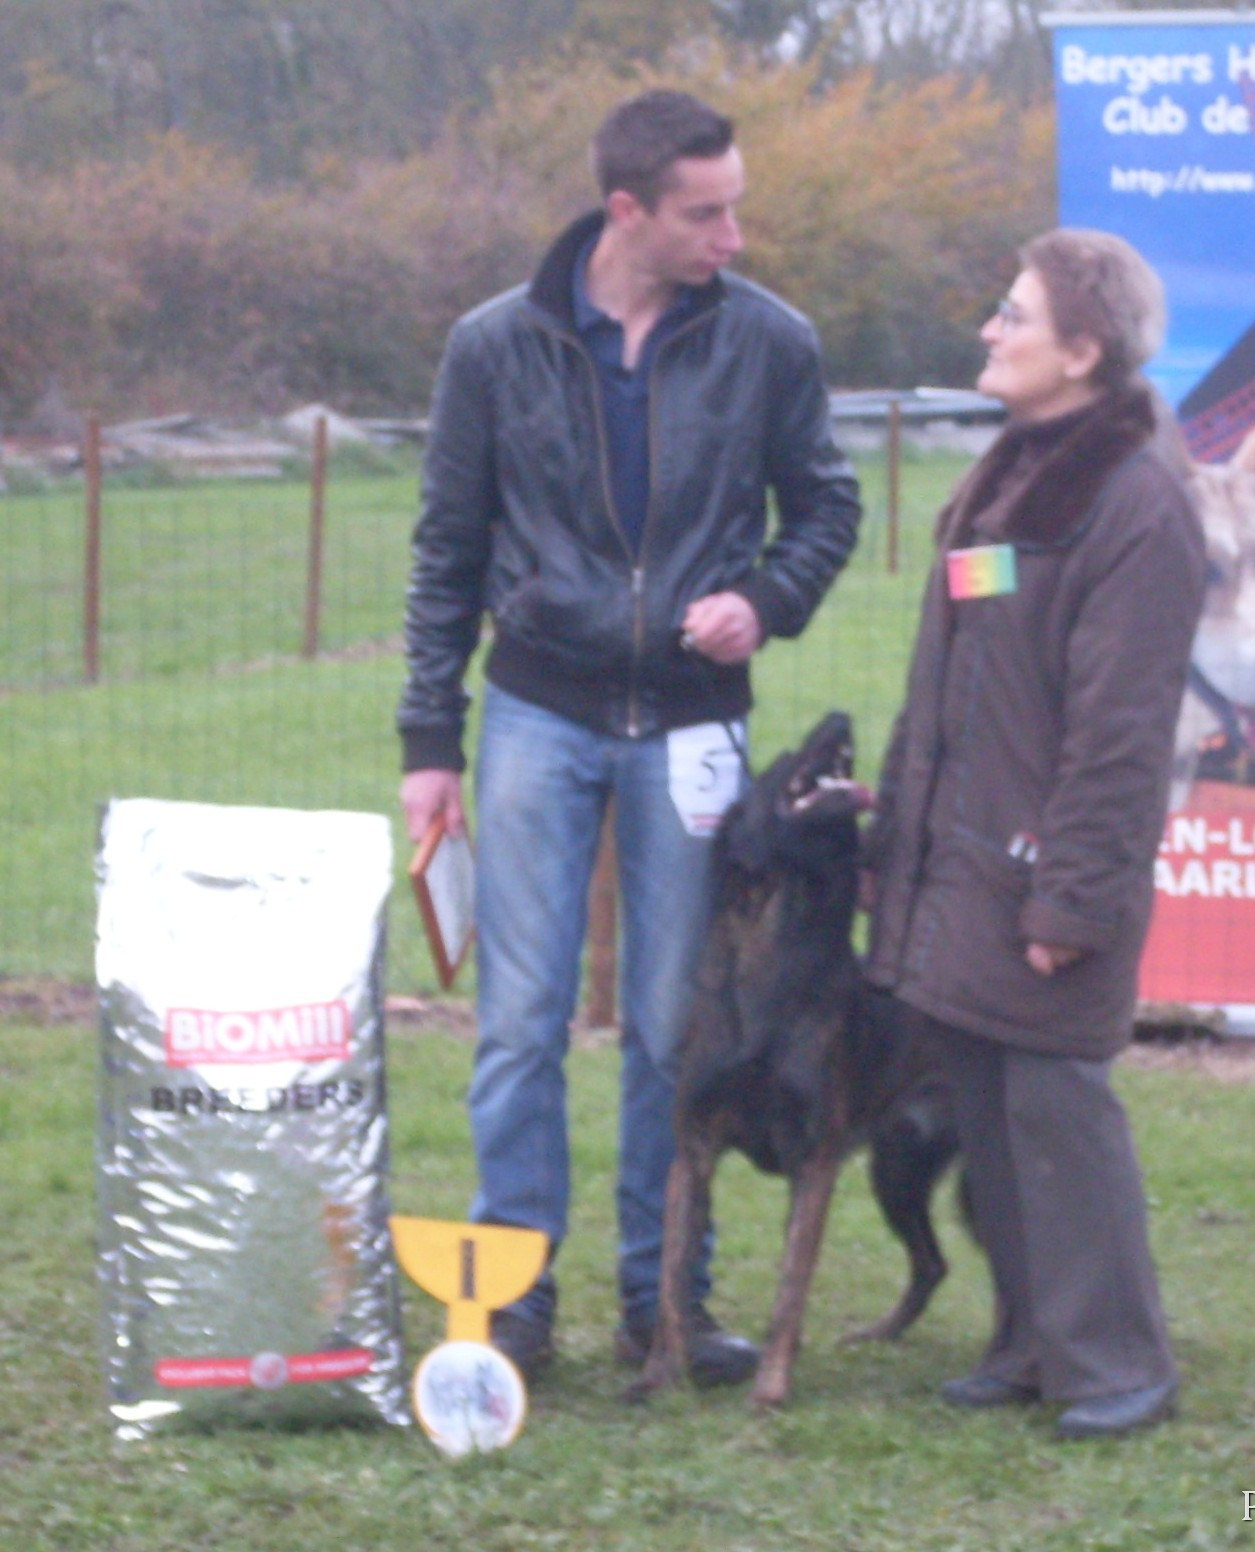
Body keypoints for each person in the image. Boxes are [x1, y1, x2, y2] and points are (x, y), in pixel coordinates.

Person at [397, 89, 861, 1383]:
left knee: (673, 1027)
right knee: (518, 1023)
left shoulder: (771, 342)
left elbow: (825, 504)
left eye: (735, 204)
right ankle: (515, 1296)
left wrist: (763, 602)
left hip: (692, 730)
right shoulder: (493, 345)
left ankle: (668, 1303)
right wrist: (429, 737)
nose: (733, 232)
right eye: (704, 211)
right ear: (626, 211)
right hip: (536, 710)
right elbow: (445, 551)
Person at [864, 229, 1205, 1440]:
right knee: (989, 1102)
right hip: (962, 861)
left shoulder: (1136, 499)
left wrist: (1073, 900)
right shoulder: (1017, 465)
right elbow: (952, 669)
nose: (990, 331)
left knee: (1057, 1104)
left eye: (1014, 315)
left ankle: (1116, 1363)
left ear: (1084, 346)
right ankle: (1029, 1340)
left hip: (1042, 870)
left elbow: (1121, 736)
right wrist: (900, 825)